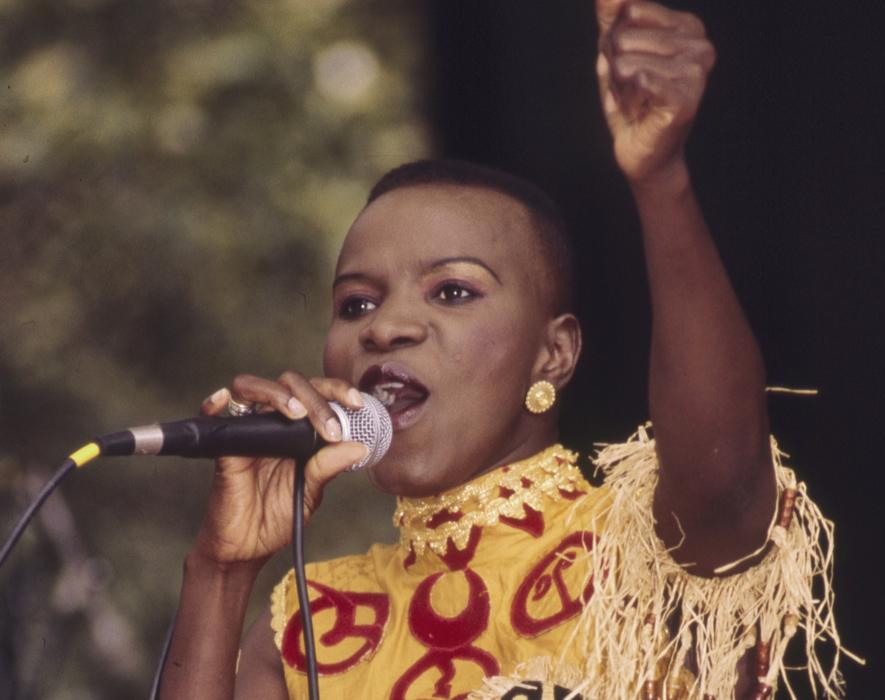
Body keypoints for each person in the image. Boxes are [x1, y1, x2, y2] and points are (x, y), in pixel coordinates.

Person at [159, 2, 849, 698]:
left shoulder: (641, 557)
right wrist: (222, 569)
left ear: (554, 354)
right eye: (356, 304)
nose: (385, 327)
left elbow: (726, 484)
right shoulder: (310, 626)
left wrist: (660, 179)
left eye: (452, 292)